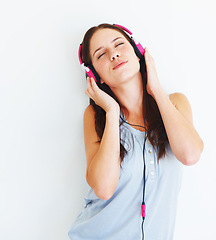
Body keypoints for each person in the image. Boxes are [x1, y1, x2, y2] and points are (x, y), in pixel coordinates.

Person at [68, 23, 204, 240]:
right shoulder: (95, 116)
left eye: (119, 44)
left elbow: (190, 155)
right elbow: (103, 188)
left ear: (138, 52)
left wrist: (156, 90)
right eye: (101, 54)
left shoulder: (175, 103)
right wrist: (112, 112)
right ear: (95, 75)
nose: (114, 54)